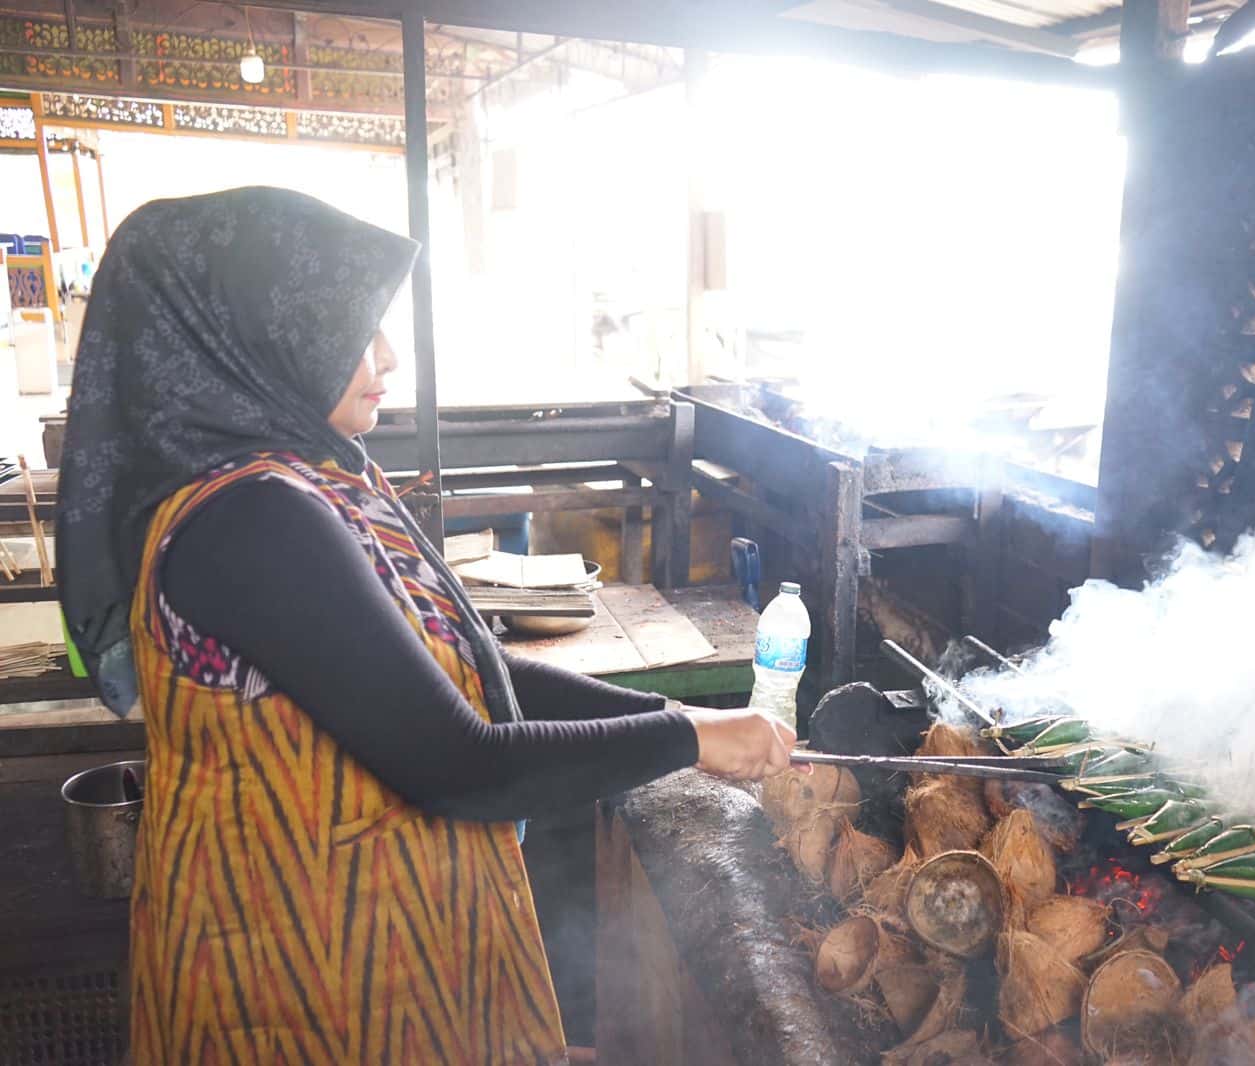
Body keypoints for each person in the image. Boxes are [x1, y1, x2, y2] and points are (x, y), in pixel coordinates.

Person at [56, 186, 795, 1064]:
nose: (389, 357)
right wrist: (684, 740)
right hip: (299, 987)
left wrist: (697, 725)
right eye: (354, 331)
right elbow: (458, 763)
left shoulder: (310, 482)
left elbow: (472, 679)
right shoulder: (249, 520)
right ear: (258, 335)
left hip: (381, 956)